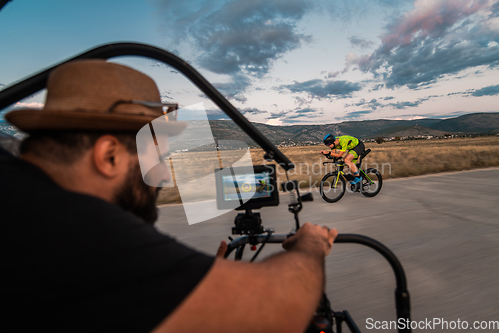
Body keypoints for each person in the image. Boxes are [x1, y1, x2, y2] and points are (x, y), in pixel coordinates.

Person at [1, 59, 338, 333]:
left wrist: (186, 285)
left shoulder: (20, 193)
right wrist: (310, 244)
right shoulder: (78, 228)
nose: (162, 176)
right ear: (109, 157)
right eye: (156, 160)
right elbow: (279, 309)